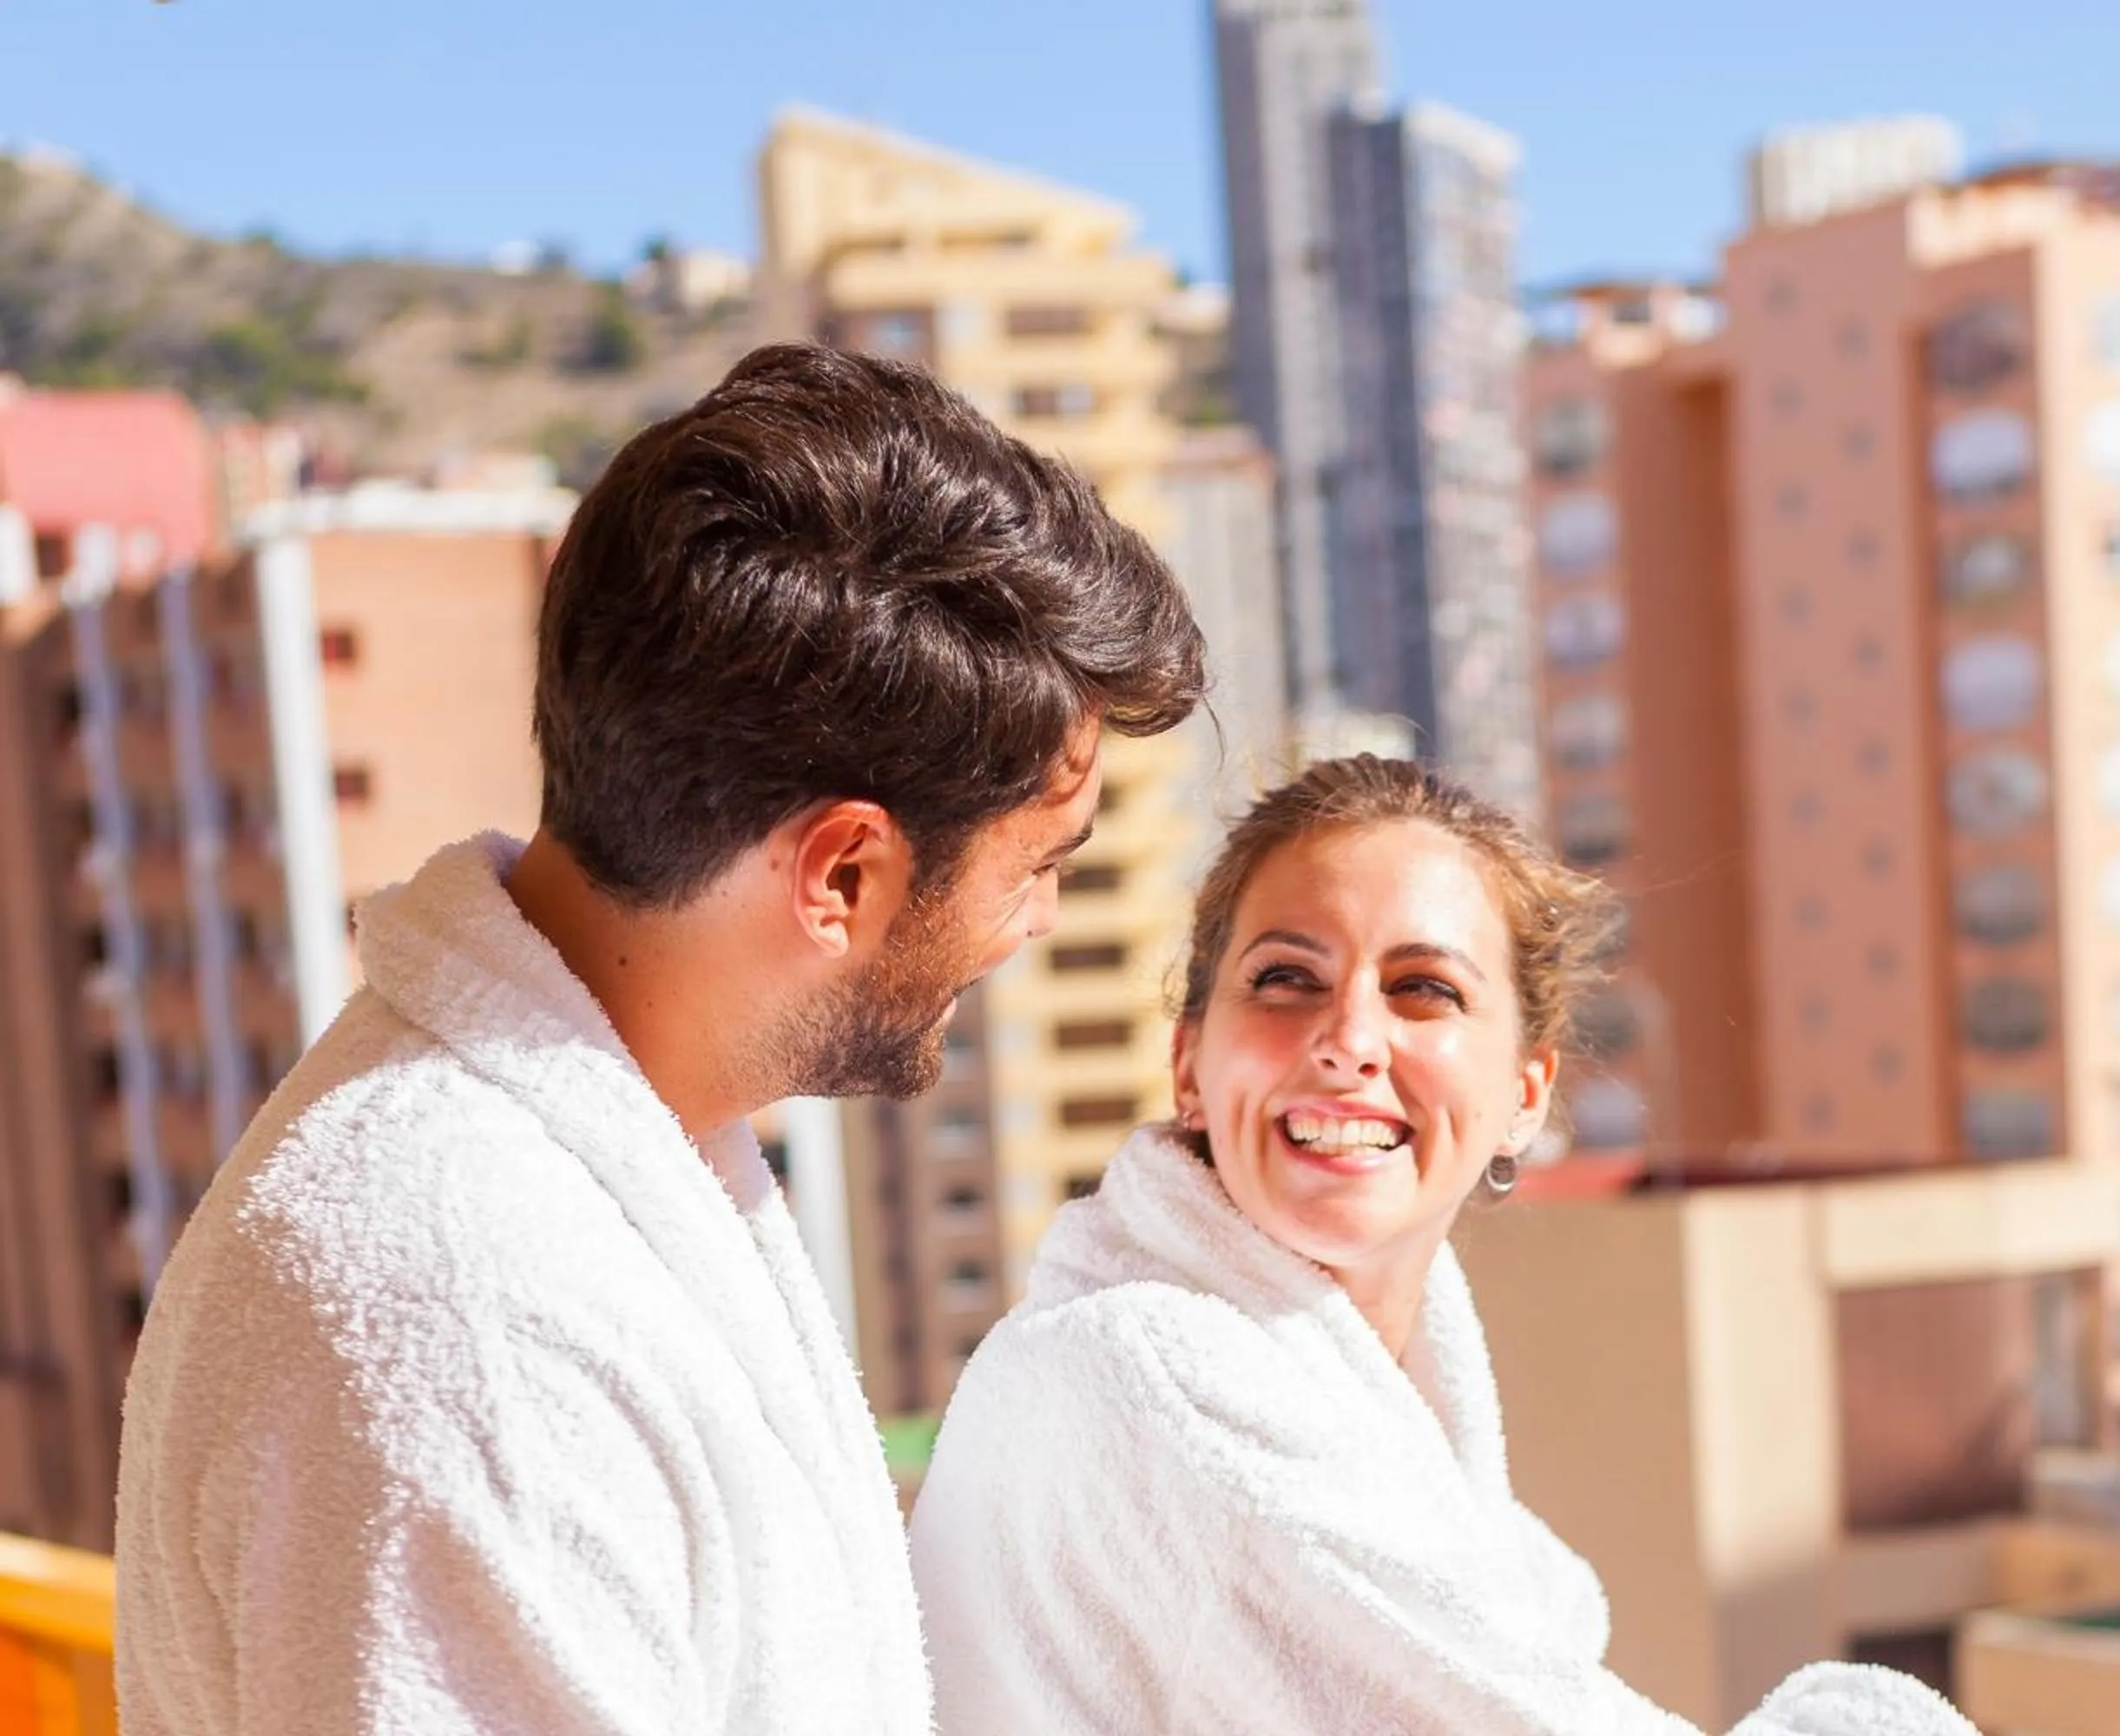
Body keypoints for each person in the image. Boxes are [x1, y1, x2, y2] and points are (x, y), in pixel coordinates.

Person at [115, 343, 1208, 1735]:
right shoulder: (476, 1320)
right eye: (1038, 863)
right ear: (842, 878)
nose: (1039, 923)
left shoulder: (593, 1170)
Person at [909, 756, 1976, 1735]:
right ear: (1191, 1063)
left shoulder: (1399, 1464)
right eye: (1286, 978)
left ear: (1523, 1094)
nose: (1349, 1040)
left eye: (1425, 989)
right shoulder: (1145, 1377)